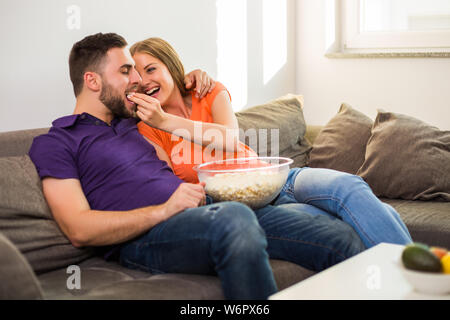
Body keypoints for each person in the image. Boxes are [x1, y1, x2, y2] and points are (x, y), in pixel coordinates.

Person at [29, 32, 366, 300]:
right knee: (235, 218)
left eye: (136, 70)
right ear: (92, 81)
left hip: (207, 210)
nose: (136, 81)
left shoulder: (136, 125)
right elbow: (78, 229)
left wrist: (187, 76)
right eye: (125, 71)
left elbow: (207, 133)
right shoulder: (57, 142)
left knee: (337, 236)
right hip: (146, 237)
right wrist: (163, 211)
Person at [129, 37, 413, 249]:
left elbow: (228, 138)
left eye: (151, 69)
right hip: (252, 205)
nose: (145, 82)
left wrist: (166, 119)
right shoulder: (147, 129)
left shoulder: (209, 92)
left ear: (171, 66)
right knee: (341, 227)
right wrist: (158, 122)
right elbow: (166, 185)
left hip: (277, 178)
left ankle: (418, 281)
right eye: (137, 79)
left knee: (350, 187)